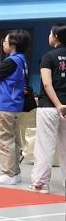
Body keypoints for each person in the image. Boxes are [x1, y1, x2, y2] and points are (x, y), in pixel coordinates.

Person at [0, 29, 31, 185]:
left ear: (13, 44)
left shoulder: (11, 61)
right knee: (12, 140)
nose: (3, 43)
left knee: (3, 140)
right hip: (14, 106)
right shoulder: (20, 59)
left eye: (5, 41)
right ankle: (14, 173)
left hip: (4, 105)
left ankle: (7, 173)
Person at [31, 24, 66, 192]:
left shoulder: (48, 57)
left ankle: (41, 183)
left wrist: (58, 105)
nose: (49, 35)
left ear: (56, 37)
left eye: (50, 33)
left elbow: (46, 83)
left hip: (49, 107)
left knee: (45, 145)